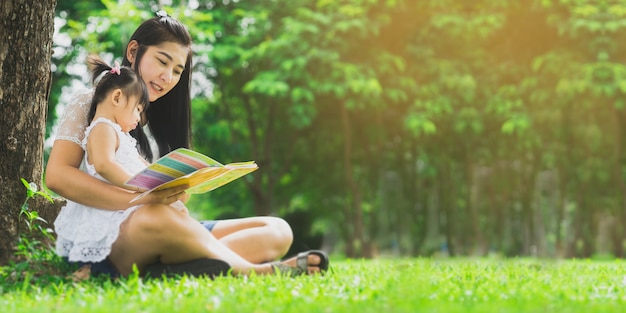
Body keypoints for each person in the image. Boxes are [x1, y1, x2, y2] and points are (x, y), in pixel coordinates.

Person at [46, 13, 329, 278]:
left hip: (169, 225)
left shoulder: (161, 118)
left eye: (177, 70)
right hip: (121, 233)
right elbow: (58, 176)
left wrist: (179, 189)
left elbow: (170, 196)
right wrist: (143, 199)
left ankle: (174, 267)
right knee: (155, 218)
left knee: (277, 230)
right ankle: (259, 271)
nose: (168, 77)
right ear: (133, 52)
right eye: (162, 61)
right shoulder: (96, 103)